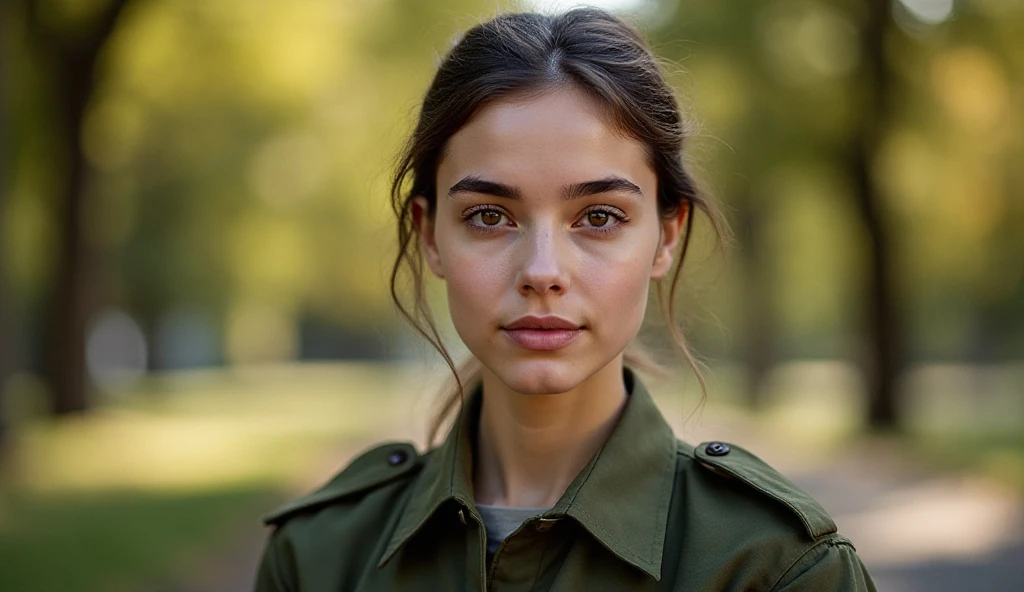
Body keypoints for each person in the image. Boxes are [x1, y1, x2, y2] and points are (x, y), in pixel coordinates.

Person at [254, 7, 875, 591]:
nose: (542, 272)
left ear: (666, 236)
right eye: (490, 215)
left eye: (600, 216)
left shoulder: (777, 568)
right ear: (429, 235)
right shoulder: (319, 557)